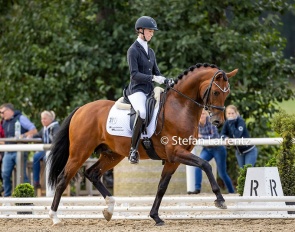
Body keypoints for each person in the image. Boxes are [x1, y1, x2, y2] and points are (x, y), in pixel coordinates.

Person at [125, 16, 166, 164]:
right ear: (140, 31)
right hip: (137, 90)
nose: (152, 34)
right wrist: (154, 78)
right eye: (150, 31)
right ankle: (133, 150)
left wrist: (166, 80)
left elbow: (157, 72)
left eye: (152, 31)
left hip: (149, 90)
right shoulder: (133, 50)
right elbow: (134, 74)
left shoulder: (151, 51)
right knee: (142, 112)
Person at [189, 109, 235, 194]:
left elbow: (213, 136)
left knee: (222, 174)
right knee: (198, 165)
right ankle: (197, 189)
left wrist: (201, 136)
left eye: (203, 113)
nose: (201, 115)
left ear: (206, 115)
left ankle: (231, 192)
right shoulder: (196, 124)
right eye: (199, 114)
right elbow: (193, 136)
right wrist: (199, 137)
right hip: (207, 149)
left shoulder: (211, 122)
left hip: (218, 149)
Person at [0, 103, 38, 197]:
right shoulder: (4, 122)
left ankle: (27, 196)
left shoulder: (21, 118)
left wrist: (23, 135)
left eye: (2, 112)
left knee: (22, 175)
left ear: (9, 111)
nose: (1, 115)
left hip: (19, 151)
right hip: (8, 151)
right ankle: (7, 197)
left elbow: (34, 130)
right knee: (5, 174)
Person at [28, 110, 60, 191]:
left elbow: (56, 139)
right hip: (45, 150)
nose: (43, 121)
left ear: (50, 119)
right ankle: (36, 182)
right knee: (36, 157)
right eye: (42, 119)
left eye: (45, 119)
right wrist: (31, 136)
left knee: (47, 158)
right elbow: (38, 135)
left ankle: (50, 183)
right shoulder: (44, 129)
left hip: (54, 151)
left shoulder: (55, 127)